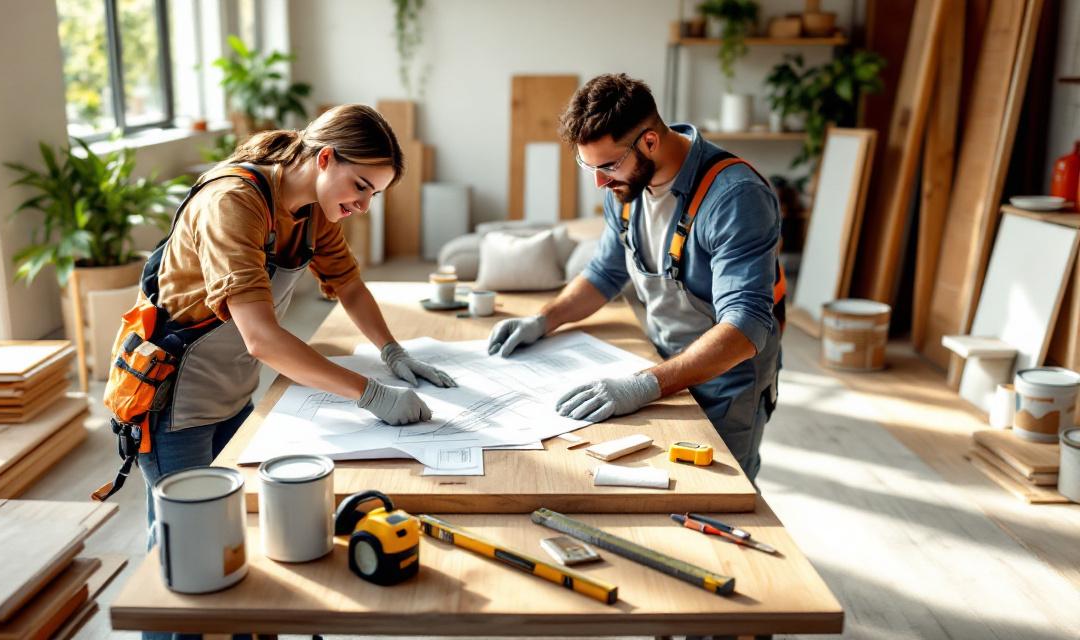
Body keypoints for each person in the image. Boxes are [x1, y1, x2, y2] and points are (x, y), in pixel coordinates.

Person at [121, 104, 455, 564]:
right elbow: (262, 338)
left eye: (374, 194)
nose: (363, 205)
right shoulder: (233, 203)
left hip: (233, 390)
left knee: (235, 539)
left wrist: (392, 351)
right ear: (324, 159)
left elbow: (349, 285)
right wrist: (373, 395)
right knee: (185, 561)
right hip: (175, 402)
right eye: (360, 186)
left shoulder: (314, 211)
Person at [486, 74, 784, 481]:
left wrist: (642, 387)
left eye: (607, 165)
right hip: (660, 364)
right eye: (587, 166)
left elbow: (746, 327)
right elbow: (603, 273)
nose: (599, 182)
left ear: (649, 142)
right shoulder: (626, 189)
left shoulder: (735, 197)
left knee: (718, 495)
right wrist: (544, 319)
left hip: (726, 381)